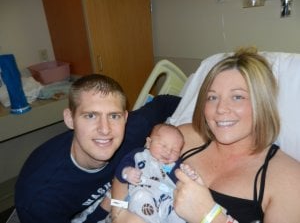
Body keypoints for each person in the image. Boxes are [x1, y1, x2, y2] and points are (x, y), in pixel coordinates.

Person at [14, 74, 181, 223]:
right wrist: (113, 207)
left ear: (124, 118)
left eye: (114, 116)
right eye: (91, 116)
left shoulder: (134, 130)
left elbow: (164, 103)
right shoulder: (40, 198)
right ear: (70, 119)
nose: (105, 129)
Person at [172, 47, 300, 223]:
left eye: (237, 97)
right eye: (212, 97)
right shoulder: (182, 139)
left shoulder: (288, 181)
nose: (221, 109)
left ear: (261, 103)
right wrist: (119, 211)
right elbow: (132, 167)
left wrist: (209, 217)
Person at [114, 123, 185, 223]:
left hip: (165, 200)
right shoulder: (139, 155)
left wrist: (187, 173)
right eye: (163, 146)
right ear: (148, 142)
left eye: (175, 151)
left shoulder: (170, 166)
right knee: (142, 197)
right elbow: (121, 168)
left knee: (179, 212)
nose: (168, 152)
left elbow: (179, 178)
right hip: (142, 194)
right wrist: (127, 172)